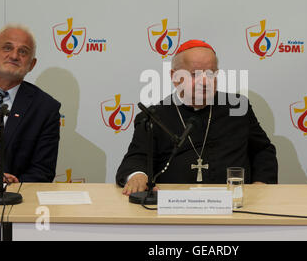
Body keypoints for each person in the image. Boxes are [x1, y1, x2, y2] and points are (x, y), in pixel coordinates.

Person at [116, 40, 277, 195]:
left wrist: (261, 184)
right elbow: (137, 158)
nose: (205, 82)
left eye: (210, 74)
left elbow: (263, 151)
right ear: (175, 76)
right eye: (195, 75)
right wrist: (138, 175)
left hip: (234, 206)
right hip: (172, 208)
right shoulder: (153, 116)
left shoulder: (237, 107)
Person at [0, 24, 61, 183]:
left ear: (32, 64)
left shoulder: (45, 109)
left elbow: (42, 171)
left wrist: (6, 188)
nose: (14, 56)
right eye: (7, 48)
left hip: (10, 200)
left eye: (23, 51)